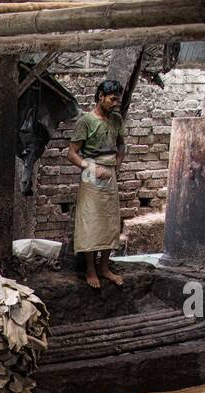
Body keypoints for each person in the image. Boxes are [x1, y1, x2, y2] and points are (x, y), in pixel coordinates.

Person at [67, 79, 126, 289]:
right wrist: (91, 168)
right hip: (91, 174)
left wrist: (116, 165)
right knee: (90, 223)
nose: (114, 103)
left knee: (110, 223)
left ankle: (104, 267)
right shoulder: (86, 121)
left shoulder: (117, 120)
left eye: (117, 100)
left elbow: (121, 145)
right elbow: (72, 154)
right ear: (100, 96)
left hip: (109, 174)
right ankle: (90, 269)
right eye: (111, 99)